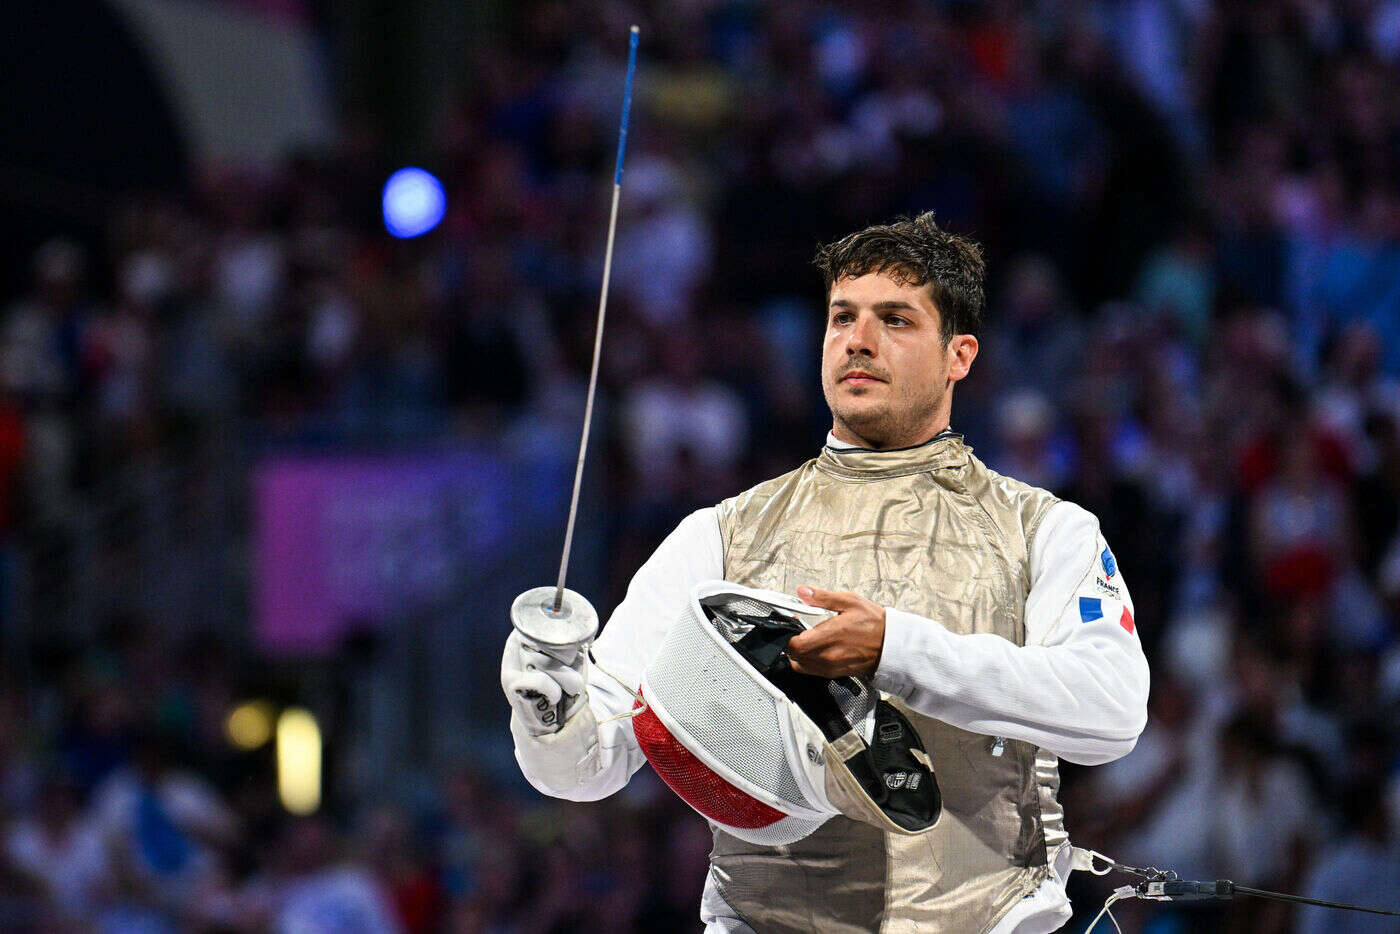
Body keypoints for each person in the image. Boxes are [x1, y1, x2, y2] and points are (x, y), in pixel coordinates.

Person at [502, 212, 1150, 933]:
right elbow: (587, 766)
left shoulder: (1044, 531)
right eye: (842, 317)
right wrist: (549, 715)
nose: (859, 341)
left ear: (958, 355)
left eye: (895, 320)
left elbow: (1112, 712)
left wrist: (894, 650)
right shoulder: (720, 536)